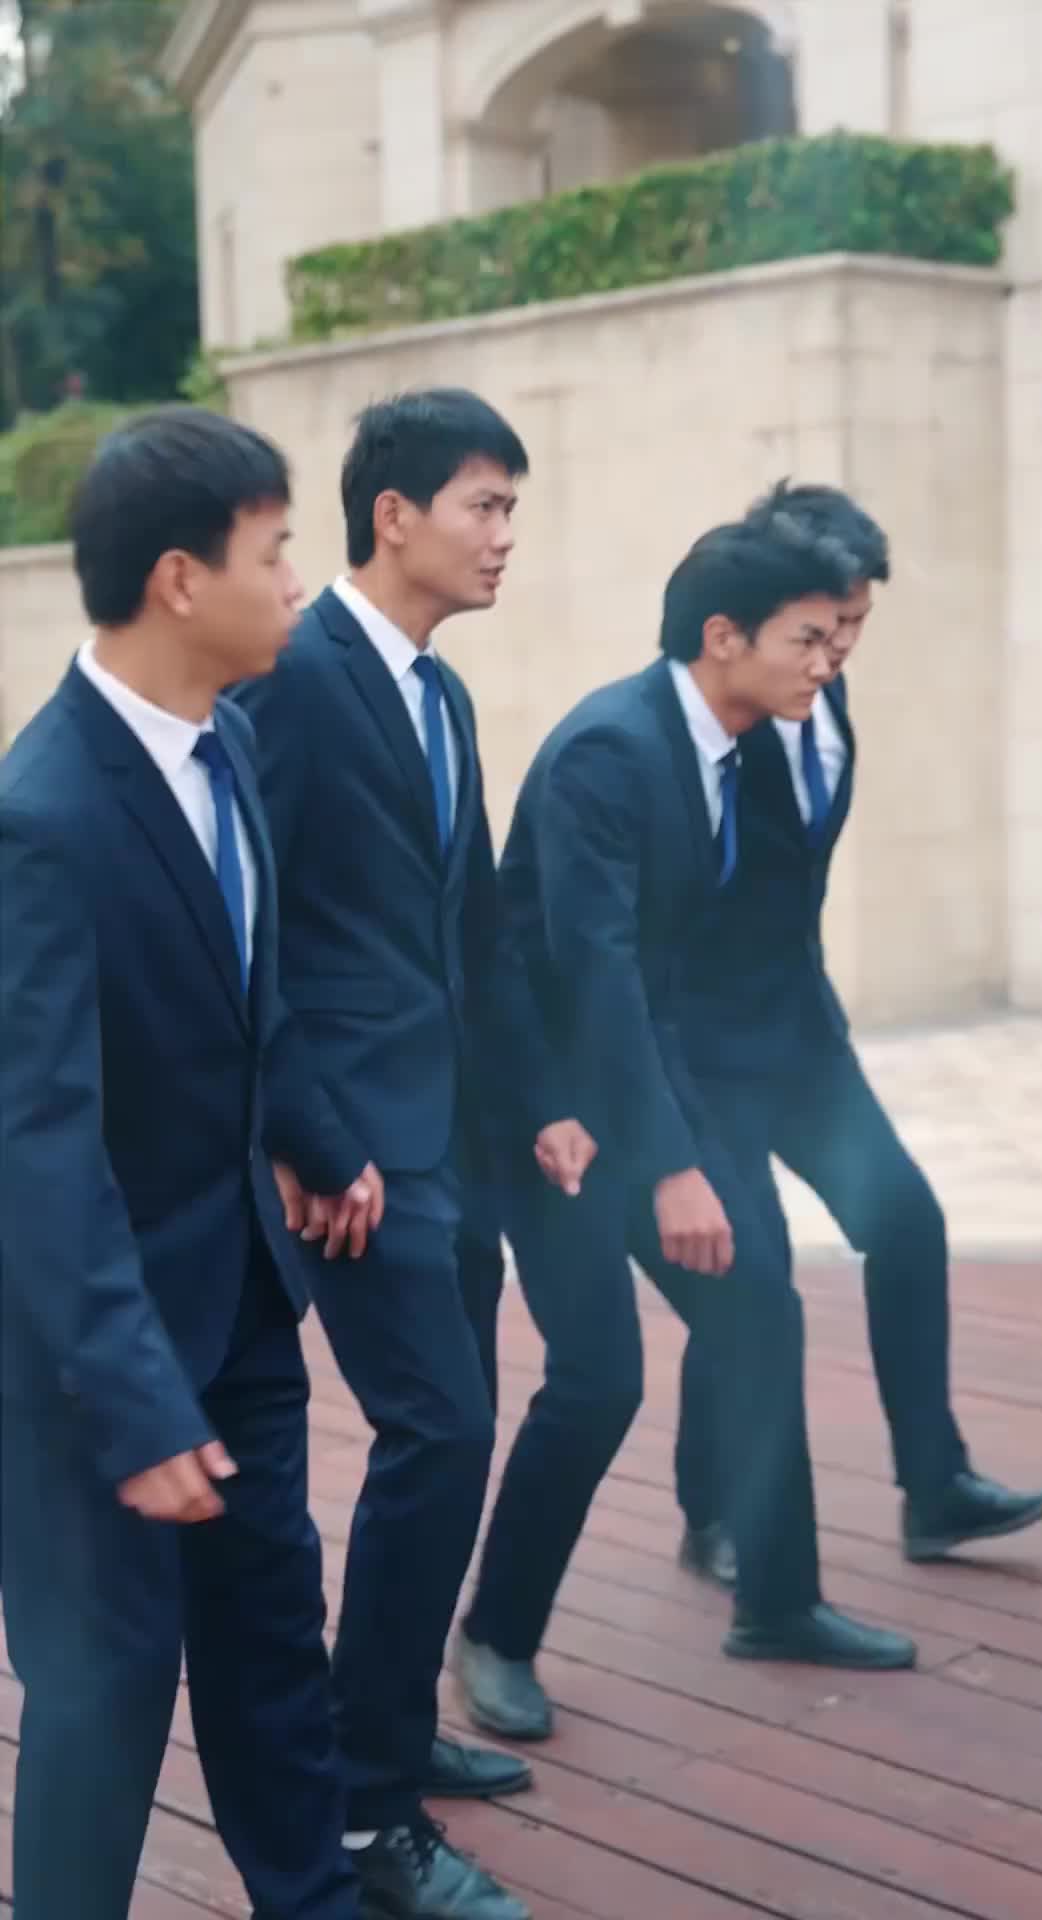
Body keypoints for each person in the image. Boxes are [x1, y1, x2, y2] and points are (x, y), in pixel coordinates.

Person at [454, 516, 921, 1750]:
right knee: (598, 1375)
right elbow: (593, 970)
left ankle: (777, 1602)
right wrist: (672, 1168)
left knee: (758, 1305)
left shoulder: (728, 739)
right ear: (724, 637)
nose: (829, 661)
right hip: (542, 1106)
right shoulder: (610, 751)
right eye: (807, 639)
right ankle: (495, 1635)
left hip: (637, 1076)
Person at [0, 408, 377, 1919]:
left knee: (274, 1642)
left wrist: (320, 1141)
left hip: (243, 1304)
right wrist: (138, 1402)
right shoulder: (42, 818)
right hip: (96, 1364)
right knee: (103, 1695)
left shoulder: (231, 742)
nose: (297, 584)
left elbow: (246, 997)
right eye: (275, 553)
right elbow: (39, 1140)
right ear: (177, 579)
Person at [235, 388, 532, 1920]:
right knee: (440, 1433)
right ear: (394, 513)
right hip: (351, 1152)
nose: (505, 537)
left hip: (449, 1138)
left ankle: (392, 1726)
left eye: (512, 510)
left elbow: (465, 920)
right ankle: (366, 1809)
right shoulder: (295, 676)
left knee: (449, 1433)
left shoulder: (444, 694)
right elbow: (247, 919)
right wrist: (308, 1131)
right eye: (485, 505)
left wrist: (533, 1106)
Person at [674, 482, 1042, 1588]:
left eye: (854, 624)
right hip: (707, 1057)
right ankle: (714, 1513)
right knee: (746, 1277)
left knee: (907, 1221)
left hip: (802, 1038)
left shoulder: (824, 697)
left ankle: (934, 1487)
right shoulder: (717, 714)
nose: (839, 649)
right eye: (825, 624)